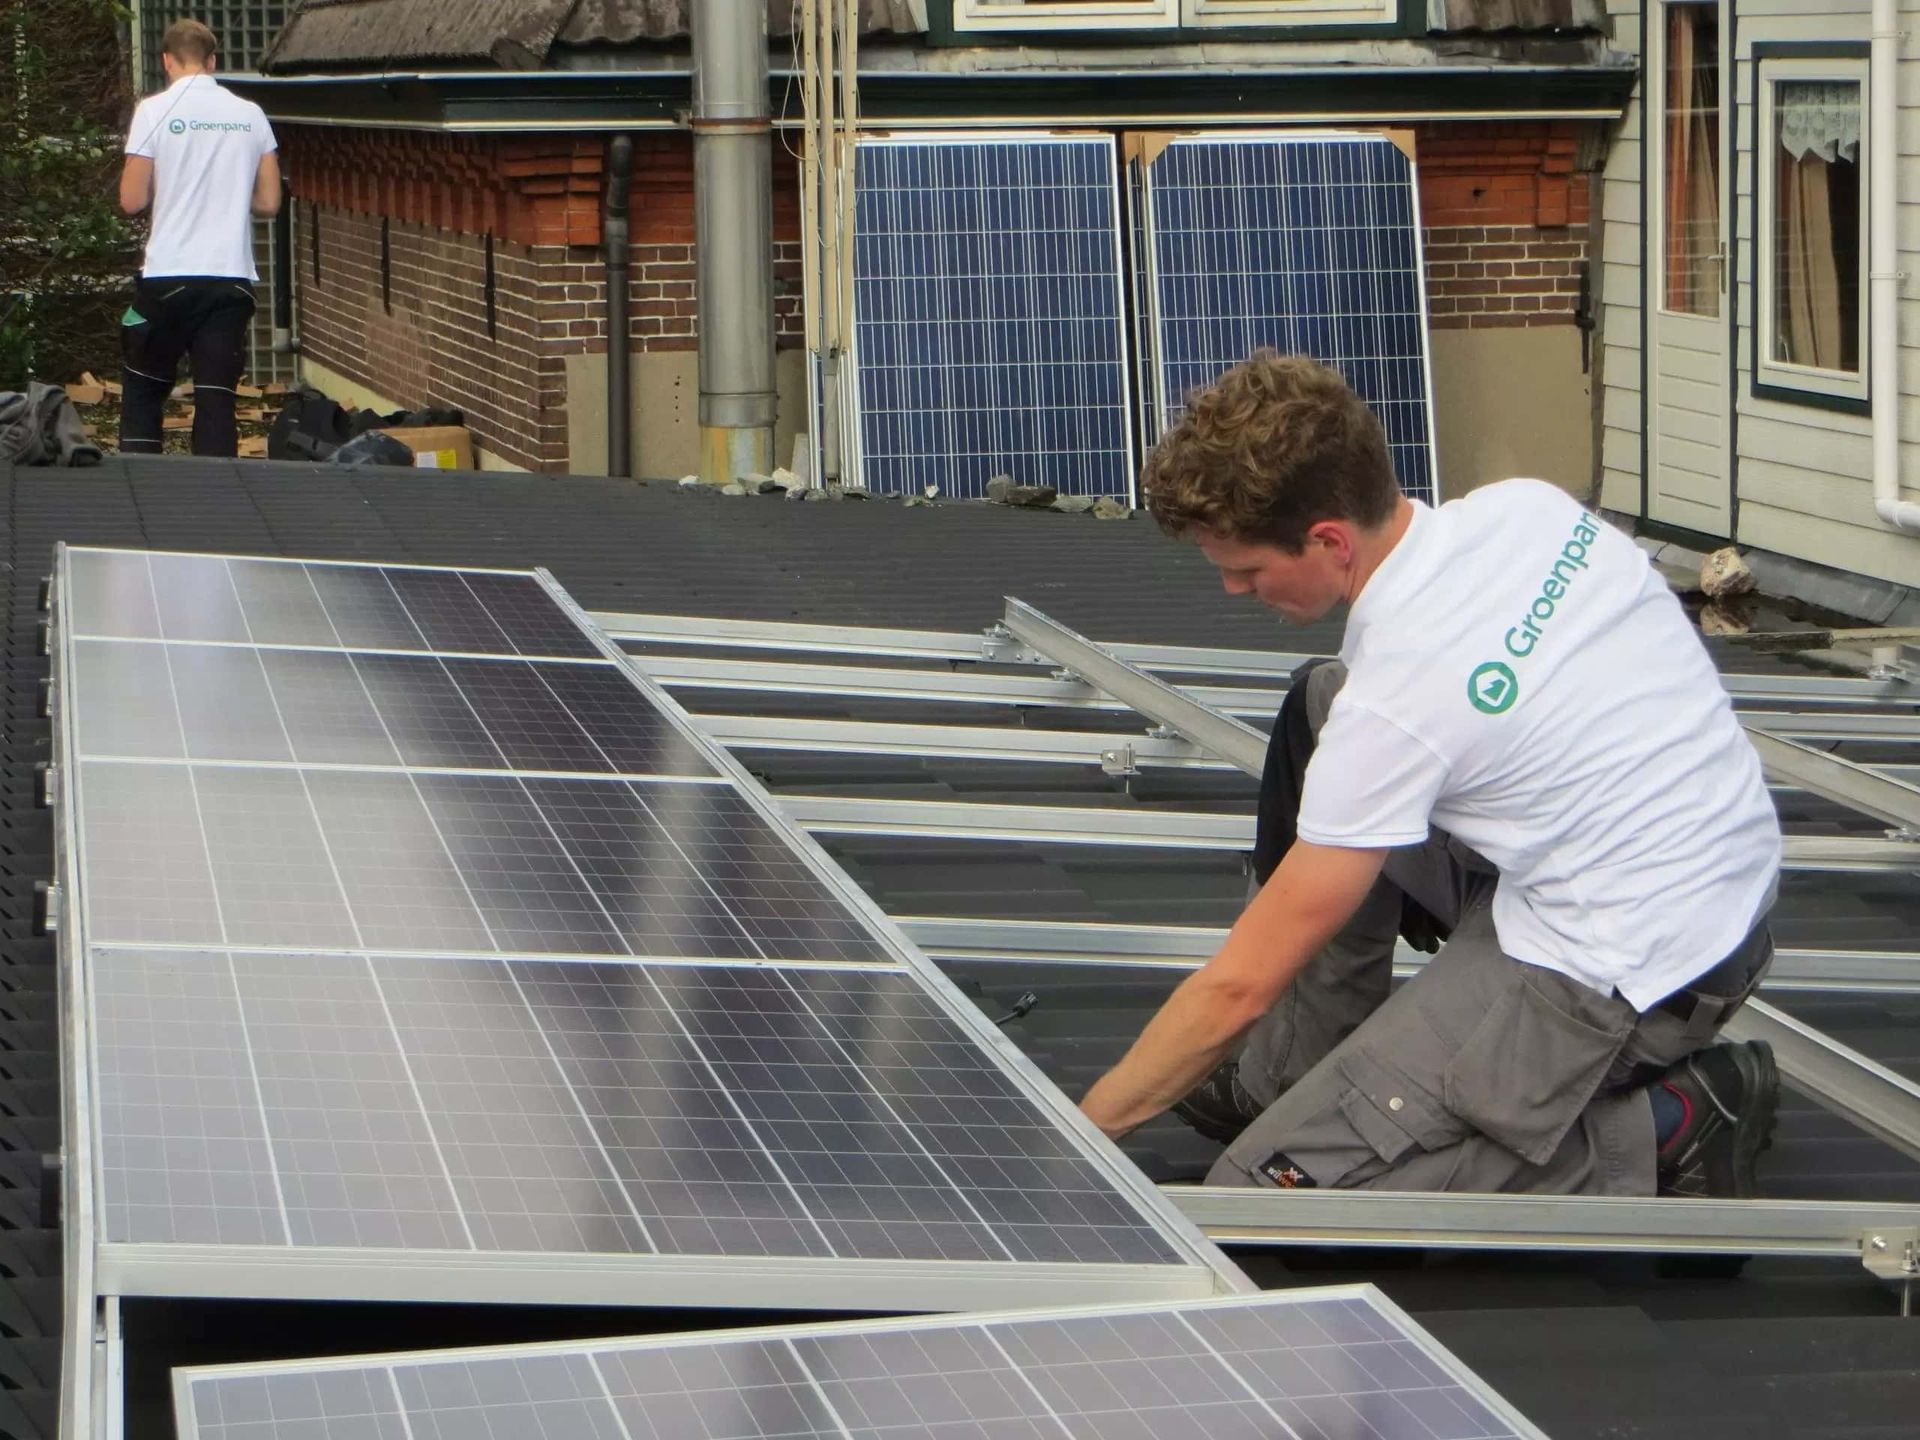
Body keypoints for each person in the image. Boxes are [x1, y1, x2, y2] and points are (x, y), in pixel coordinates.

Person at [1079, 350, 1784, 1199]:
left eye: (1247, 568)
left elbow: (1239, 984)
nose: (1233, 589)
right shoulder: (1525, 509)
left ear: (1329, 540)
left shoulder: (1401, 702)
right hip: (1701, 872)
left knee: (1276, 1198)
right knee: (1321, 705)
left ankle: (1675, 1125)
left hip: (1637, 969)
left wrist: (1087, 1131)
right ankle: (1299, 1065)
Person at [117, 19, 280, 458]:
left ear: (167, 61)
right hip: (229, 279)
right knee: (216, 398)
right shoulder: (251, 115)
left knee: (144, 386)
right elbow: (269, 202)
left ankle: (140, 485)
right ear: (213, 61)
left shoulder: (153, 111)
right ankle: (217, 500)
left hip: (168, 277)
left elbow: (131, 200)